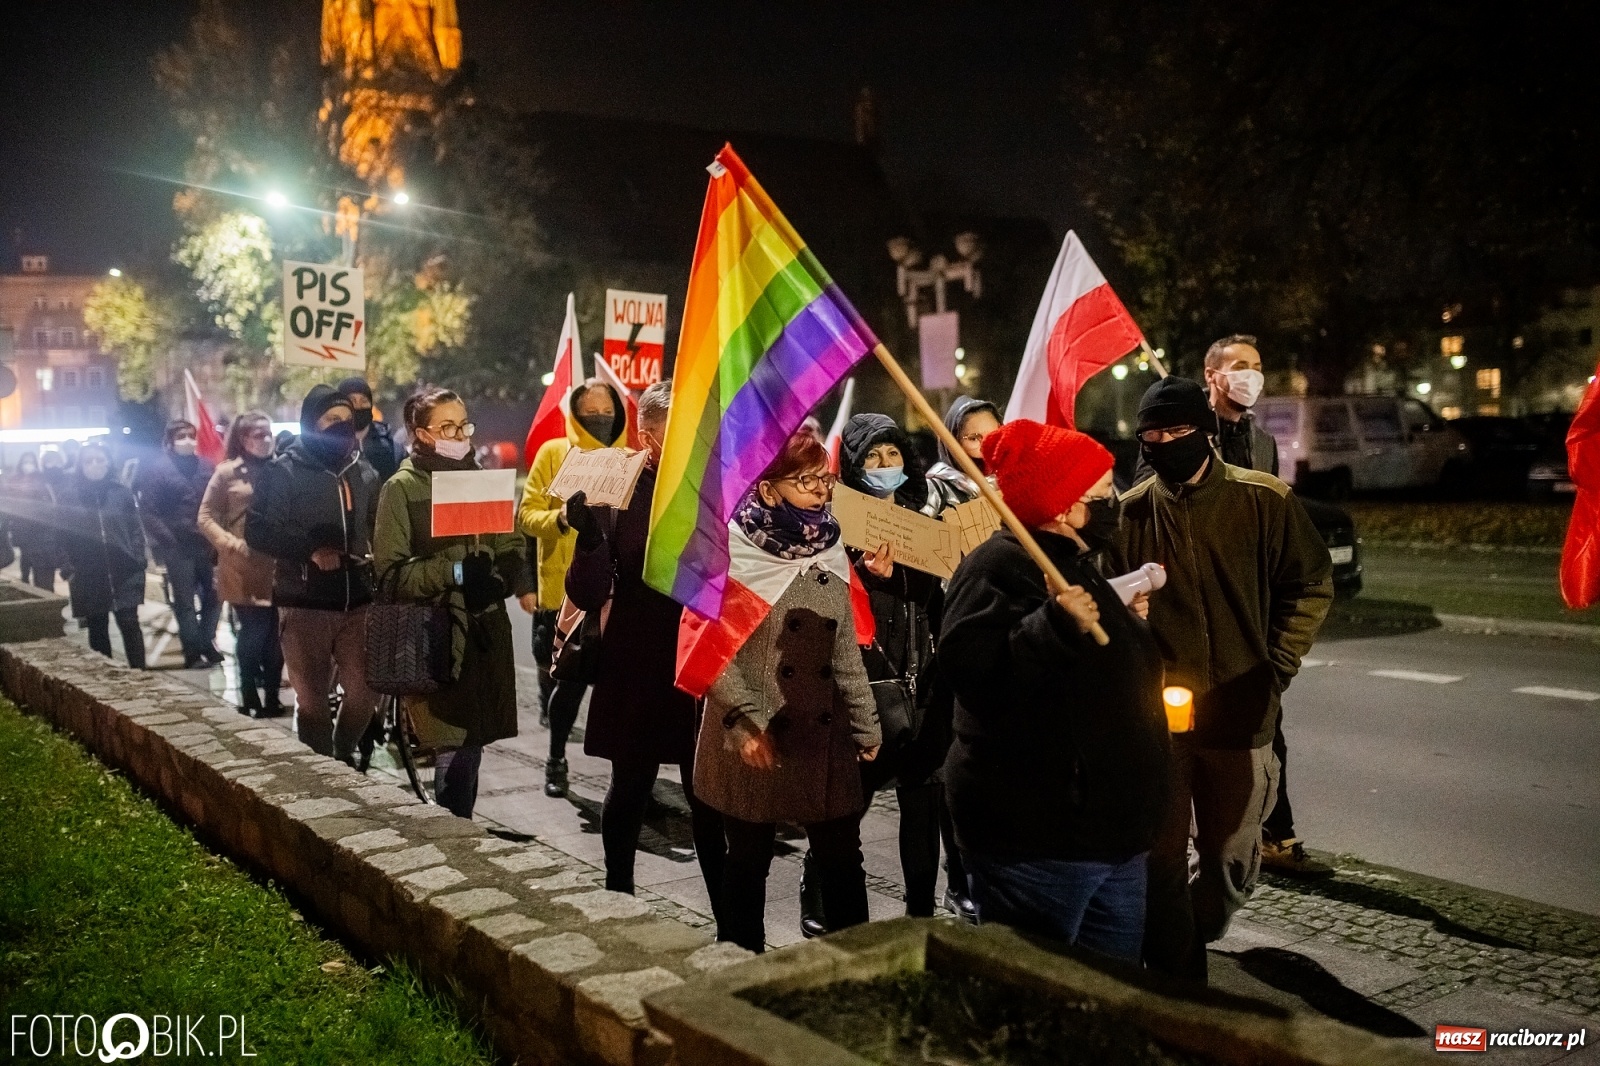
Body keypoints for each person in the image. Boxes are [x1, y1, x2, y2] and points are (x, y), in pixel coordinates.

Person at [1109, 376, 1333, 981]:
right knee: (1159, 858)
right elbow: (1106, 608)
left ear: (1205, 435)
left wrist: (1277, 666)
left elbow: (1310, 585)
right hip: (1161, 721)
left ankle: (1197, 925)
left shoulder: (1264, 501)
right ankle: (1179, 975)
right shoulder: (1129, 515)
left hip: (1242, 714)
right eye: (1152, 434)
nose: (1163, 443)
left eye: (1177, 431)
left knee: (1232, 860)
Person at [938, 420, 1169, 962]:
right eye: (1103, 492)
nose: (1114, 502)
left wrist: (1128, 624)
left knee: (1107, 998)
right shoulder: (997, 567)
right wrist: (1052, 628)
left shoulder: (1074, 563)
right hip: (1041, 843)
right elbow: (977, 675)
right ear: (1065, 505)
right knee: (1038, 991)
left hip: (1111, 835)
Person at [693, 430, 880, 953]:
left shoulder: (830, 543)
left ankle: (856, 969)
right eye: (806, 481)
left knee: (844, 857)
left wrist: (867, 725)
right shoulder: (731, 549)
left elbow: (843, 651)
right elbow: (709, 649)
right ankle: (741, 967)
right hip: (752, 727)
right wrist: (748, 721)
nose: (821, 492)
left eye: (825, 479)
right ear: (769, 489)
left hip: (822, 732)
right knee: (748, 858)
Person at [564, 380, 727, 903]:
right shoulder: (619, 493)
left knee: (707, 793)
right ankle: (619, 892)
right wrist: (588, 538)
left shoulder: (713, 487)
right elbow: (587, 591)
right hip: (636, 657)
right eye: (680, 431)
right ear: (648, 435)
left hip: (699, 651)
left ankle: (728, 912)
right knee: (631, 783)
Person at [829, 412, 970, 930]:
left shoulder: (924, 513)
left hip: (924, 680)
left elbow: (936, 594)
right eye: (871, 456)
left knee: (923, 798)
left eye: (891, 454)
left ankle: (920, 910)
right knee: (849, 800)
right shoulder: (834, 521)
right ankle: (824, 890)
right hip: (866, 681)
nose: (884, 465)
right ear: (853, 464)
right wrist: (867, 572)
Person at [372, 388, 536, 818]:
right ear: (420, 433)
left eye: (463, 425)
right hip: (434, 639)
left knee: (471, 745)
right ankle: (452, 832)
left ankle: (456, 823)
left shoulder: (482, 480)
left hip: (482, 636)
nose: (459, 434)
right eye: (447, 427)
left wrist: (500, 576)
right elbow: (389, 575)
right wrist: (456, 573)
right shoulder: (401, 489)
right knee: (454, 747)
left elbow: (512, 542)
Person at [1201, 335, 1327, 878]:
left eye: (1257, 366)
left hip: (1253, 602)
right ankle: (1212, 838)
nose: (1251, 376)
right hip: (1205, 603)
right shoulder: (1188, 433)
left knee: (1266, 721)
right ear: (1212, 375)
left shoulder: (1259, 440)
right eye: (1239, 367)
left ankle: (1275, 835)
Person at [246, 385, 381, 763]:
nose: (343, 426)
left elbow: (375, 526)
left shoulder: (365, 471)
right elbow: (258, 531)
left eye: (347, 419)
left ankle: (339, 755)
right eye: (332, 420)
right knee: (313, 706)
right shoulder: (282, 472)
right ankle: (323, 777)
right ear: (311, 424)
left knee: (367, 689)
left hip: (358, 603)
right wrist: (310, 551)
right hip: (305, 605)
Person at [517, 378, 626, 795]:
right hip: (567, 593)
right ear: (575, 413)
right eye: (591, 412)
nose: (601, 419)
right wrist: (561, 519)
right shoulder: (554, 453)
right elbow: (527, 515)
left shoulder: (626, 457)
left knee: (617, 689)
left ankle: (625, 770)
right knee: (570, 685)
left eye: (607, 412)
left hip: (615, 593)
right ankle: (556, 756)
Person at [199, 412, 284, 718]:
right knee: (254, 631)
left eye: (268, 433)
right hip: (242, 567)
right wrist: (229, 544)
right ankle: (249, 695)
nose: (265, 440)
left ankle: (273, 696)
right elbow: (205, 517)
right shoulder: (226, 473)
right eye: (258, 434)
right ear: (243, 438)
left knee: (276, 635)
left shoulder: (281, 468)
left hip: (278, 565)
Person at [136, 420, 222, 668]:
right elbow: (149, 511)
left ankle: (207, 640)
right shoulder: (158, 471)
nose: (187, 440)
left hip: (207, 543)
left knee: (216, 596)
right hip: (178, 546)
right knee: (185, 602)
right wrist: (168, 540)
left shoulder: (205, 466)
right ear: (171, 441)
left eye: (191, 435)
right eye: (181, 436)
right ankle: (192, 651)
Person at [56, 444, 147, 668]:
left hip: (124, 571)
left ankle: (141, 673)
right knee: (97, 626)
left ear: (108, 462)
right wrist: (68, 566)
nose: (95, 465)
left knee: (129, 623)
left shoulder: (121, 493)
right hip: (88, 573)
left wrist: (138, 557)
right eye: (89, 461)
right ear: (81, 465)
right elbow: (61, 534)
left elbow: (135, 528)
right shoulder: (70, 496)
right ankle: (106, 676)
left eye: (99, 460)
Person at [927, 395, 1002, 501]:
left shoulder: (1013, 480)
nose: (987, 444)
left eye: (994, 435)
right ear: (955, 441)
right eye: (974, 438)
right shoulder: (936, 490)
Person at [337, 377, 404, 483]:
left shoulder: (393, 450)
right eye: (352, 400)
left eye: (364, 401)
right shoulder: (331, 443)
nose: (358, 406)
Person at [6, 452, 56, 589]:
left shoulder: (41, 480)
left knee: (37, 558)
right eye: (25, 462)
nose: (28, 465)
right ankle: (25, 577)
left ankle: (36, 583)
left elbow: (49, 503)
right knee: (26, 554)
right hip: (21, 526)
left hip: (38, 528)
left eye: (30, 462)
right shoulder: (14, 480)